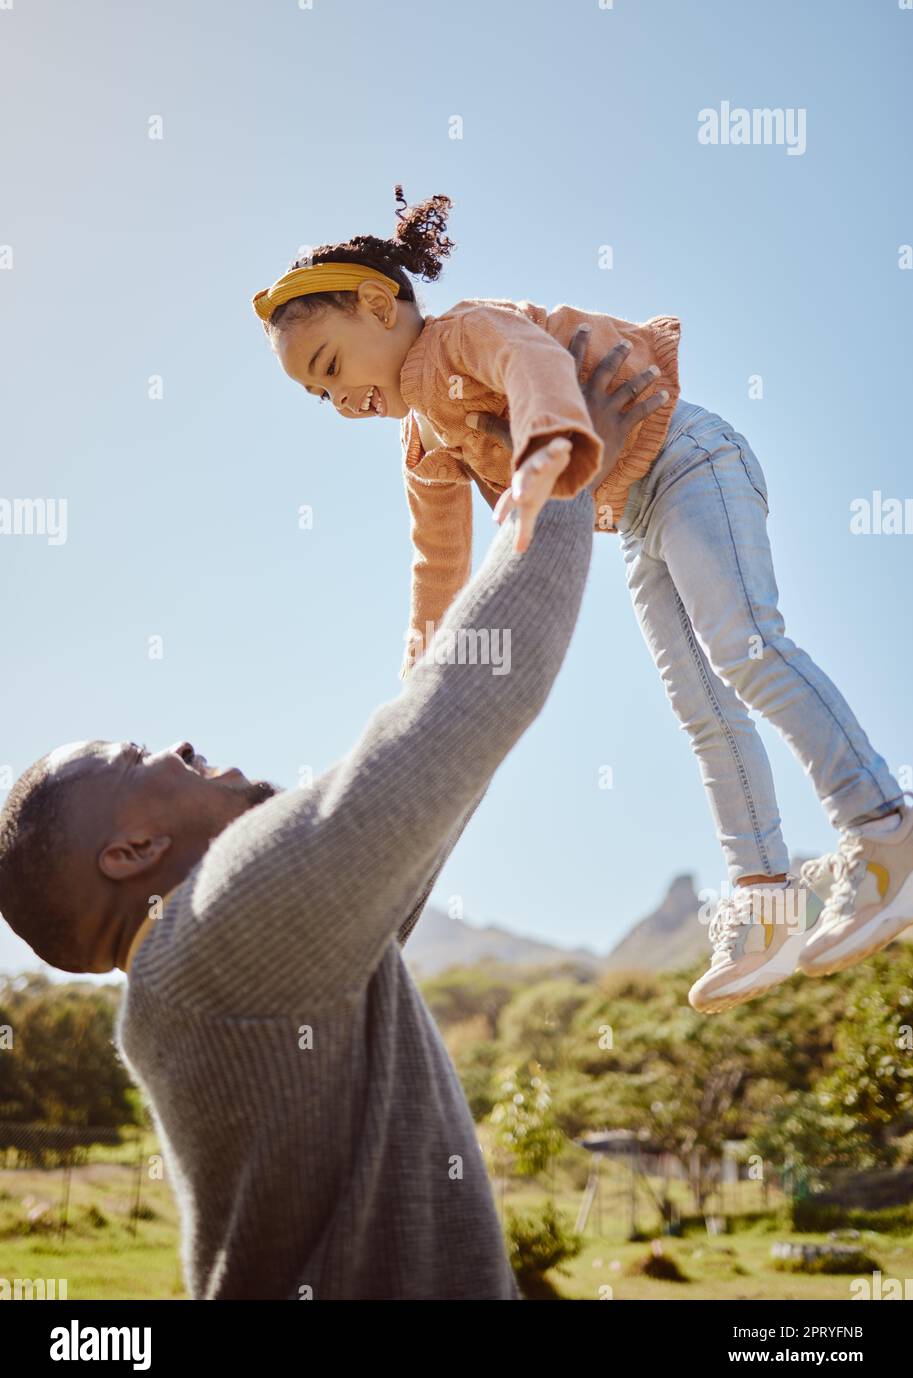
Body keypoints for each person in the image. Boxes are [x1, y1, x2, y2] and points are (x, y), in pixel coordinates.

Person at [0, 341, 657, 1299]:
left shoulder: (223, 968)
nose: (181, 744)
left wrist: (502, 489)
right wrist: (563, 456)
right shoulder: (220, 929)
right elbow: (464, 711)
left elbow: (430, 787)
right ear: (132, 849)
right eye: (143, 758)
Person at [251, 185, 913, 1016]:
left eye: (330, 366)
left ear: (379, 305)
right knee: (698, 702)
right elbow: (438, 557)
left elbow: (535, 368)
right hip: (635, 514)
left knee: (743, 644)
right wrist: (425, 657)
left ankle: (883, 827)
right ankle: (764, 895)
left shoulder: (465, 331)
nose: (339, 398)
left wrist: (542, 450)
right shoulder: (421, 441)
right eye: (320, 396)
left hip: (690, 459)